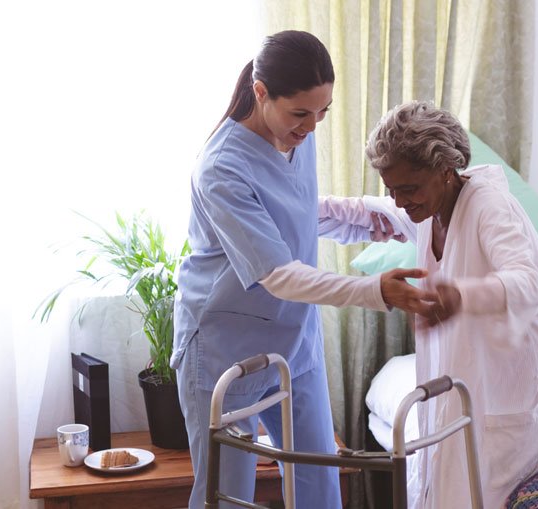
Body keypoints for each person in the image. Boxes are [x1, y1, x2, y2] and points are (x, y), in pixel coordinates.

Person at [171, 31, 433, 509]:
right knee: (227, 498)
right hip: (225, 350)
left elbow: (292, 209)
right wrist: (375, 291)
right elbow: (278, 273)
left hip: (295, 344)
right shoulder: (219, 168)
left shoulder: (295, 135)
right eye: (300, 113)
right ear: (260, 92)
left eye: (322, 112)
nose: (312, 126)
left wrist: (363, 216)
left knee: (319, 487)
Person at [317, 101, 538, 508]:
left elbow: (526, 282)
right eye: (392, 189)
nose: (400, 200)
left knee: (469, 488)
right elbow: (362, 213)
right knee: (440, 470)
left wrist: (461, 294)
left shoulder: (488, 206)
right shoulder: (426, 207)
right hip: (491, 362)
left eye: (408, 189)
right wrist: (290, 208)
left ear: (446, 171)